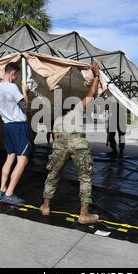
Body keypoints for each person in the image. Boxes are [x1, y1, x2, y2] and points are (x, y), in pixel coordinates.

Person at [40, 62, 101, 224]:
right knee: (84, 177)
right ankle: (84, 214)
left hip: (60, 143)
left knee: (52, 175)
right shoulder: (77, 110)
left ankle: (45, 206)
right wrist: (96, 75)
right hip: (78, 143)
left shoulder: (56, 120)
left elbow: (55, 140)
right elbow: (92, 93)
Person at [0, 62, 32, 205]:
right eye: (16, 76)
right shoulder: (12, 87)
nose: (16, 78)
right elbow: (25, 107)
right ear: (13, 73)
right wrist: (25, 92)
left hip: (7, 126)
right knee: (23, 160)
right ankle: (9, 194)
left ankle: (2, 189)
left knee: (10, 157)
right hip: (18, 126)